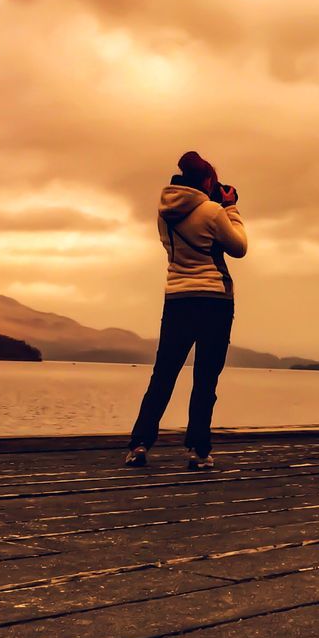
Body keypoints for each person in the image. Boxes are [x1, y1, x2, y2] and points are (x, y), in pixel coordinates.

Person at [125, 151, 247, 469]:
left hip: (177, 299)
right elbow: (239, 247)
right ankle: (198, 450)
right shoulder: (212, 211)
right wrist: (231, 207)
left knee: (163, 374)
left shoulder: (163, 213)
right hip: (214, 302)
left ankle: (139, 444)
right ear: (207, 181)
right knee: (205, 379)